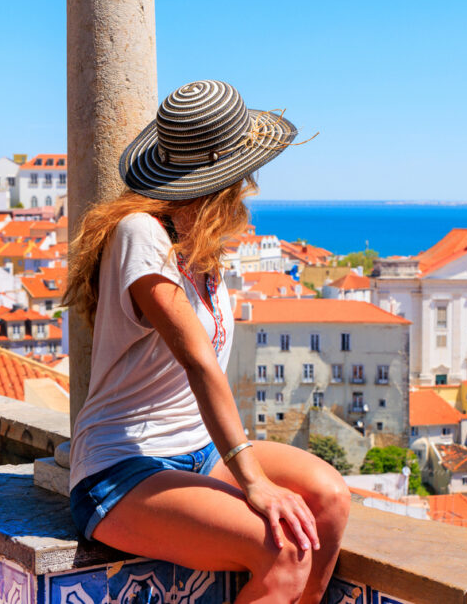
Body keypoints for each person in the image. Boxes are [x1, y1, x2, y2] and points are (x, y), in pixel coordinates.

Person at [64, 80, 349, 604]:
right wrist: (254, 482)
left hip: (199, 451)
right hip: (123, 467)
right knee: (282, 551)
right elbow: (198, 361)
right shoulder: (140, 233)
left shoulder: (201, 246)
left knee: (330, 498)